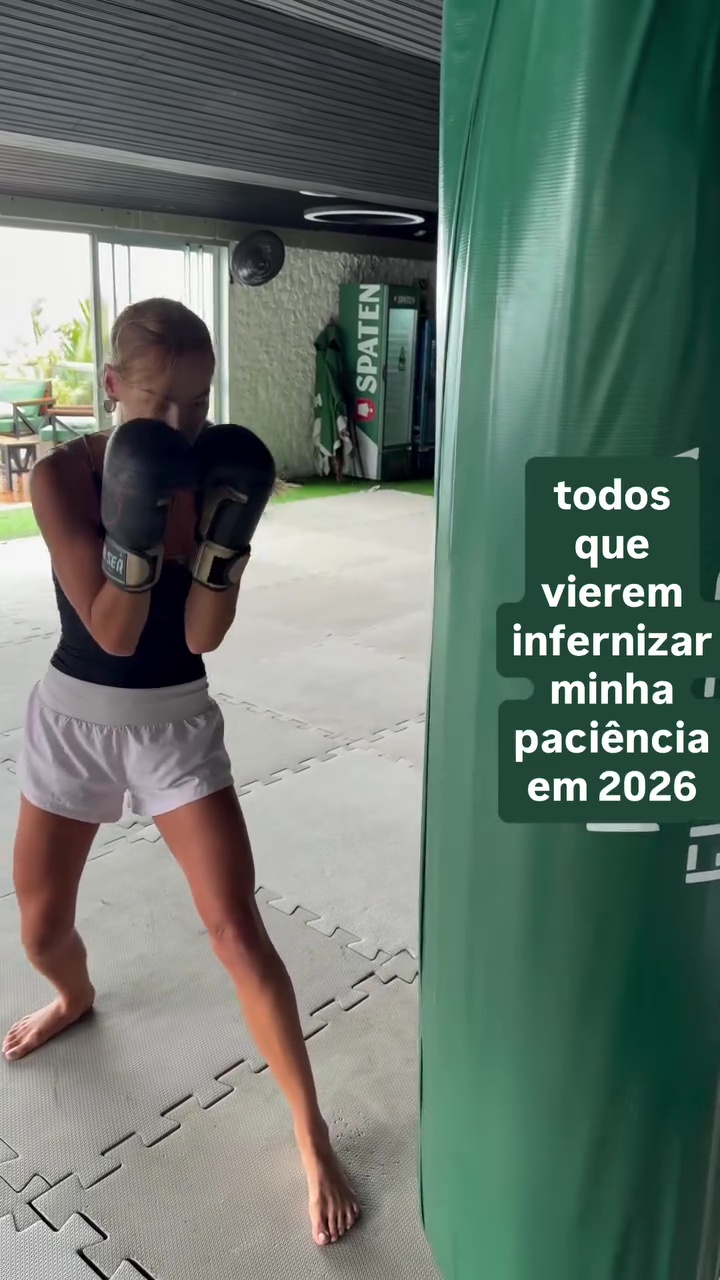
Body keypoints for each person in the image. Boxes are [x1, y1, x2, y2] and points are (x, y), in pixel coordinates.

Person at [1, 297, 360, 1247]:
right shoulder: (62, 476)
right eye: (158, 402)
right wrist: (139, 517)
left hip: (174, 724)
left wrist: (222, 543)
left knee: (237, 929)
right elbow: (111, 632)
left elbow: (201, 634)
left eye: (197, 404)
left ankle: (311, 1134)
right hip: (75, 718)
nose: (181, 423)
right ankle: (75, 997)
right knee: (40, 927)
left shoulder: (212, 472)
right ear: (112, 385)